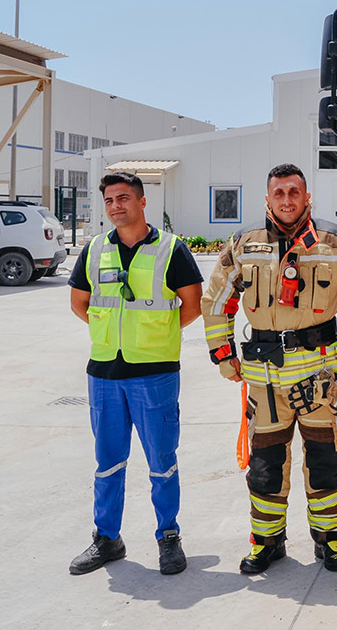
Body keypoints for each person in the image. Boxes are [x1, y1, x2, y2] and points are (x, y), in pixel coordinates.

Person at [200, 163, 337, 574]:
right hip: (264, 380)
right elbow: (217, 298)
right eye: (279, 193)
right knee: (264, 468)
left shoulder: (336, 241)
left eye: (294, 192)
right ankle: (267, 543)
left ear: (307, 197)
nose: (287, 200)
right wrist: (223, 354)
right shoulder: (244, 244)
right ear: (267, 199)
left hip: (320, 377)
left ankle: (329, 542)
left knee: (327, 462)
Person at [68, 171, 203, 576]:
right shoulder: (94, 251)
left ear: (143, 202)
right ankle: (107, 539)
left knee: (162, 461)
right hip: (105, 375)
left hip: (155, 375)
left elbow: (191, 306)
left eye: (123, 197)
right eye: (109, 200)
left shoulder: (171, 250)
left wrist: (154, 336)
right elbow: (80, 303)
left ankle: (168, 537)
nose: (115, 206)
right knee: (107, 461)